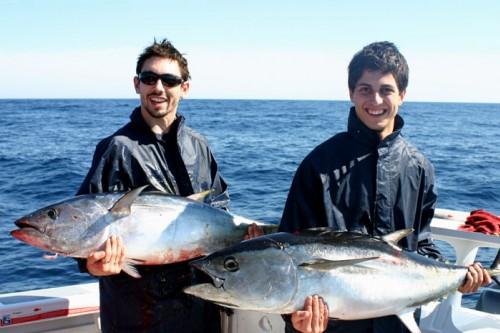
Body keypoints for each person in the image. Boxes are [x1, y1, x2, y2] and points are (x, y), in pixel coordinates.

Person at [279, 41, 492, 333]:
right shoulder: (318, 166)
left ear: (402, 95)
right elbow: (291, 249)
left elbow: (422, 244)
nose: (375, 100)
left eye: (386, 90)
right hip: (331, 326)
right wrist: (293, 318)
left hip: (398, 323)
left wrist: (459, 278)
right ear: (351, 92)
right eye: (365, 89)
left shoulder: (419, 168)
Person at [76, 38, 231, 332]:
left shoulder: (198, 144)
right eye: (150, 78)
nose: (158, 87)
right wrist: (90, 264)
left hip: (201, 307)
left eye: (169, 80)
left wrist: (238, 234)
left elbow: (220, 204)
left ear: (184, 88)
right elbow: (84, 222)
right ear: (137, 84)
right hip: (139, 315)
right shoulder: (117, 149)